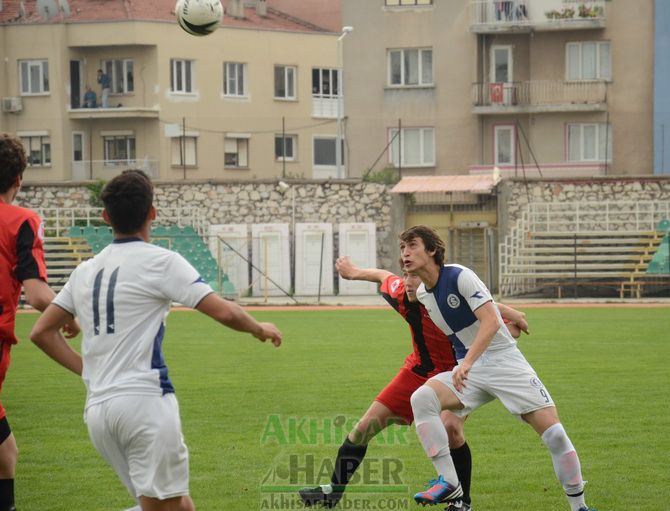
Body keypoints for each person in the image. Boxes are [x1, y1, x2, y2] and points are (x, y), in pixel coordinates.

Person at [30, 170, 283, 511]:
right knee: (163, 508)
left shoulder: (85, 270)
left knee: (179, 506)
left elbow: (41, 333)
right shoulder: (161, 262)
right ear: (152, 213)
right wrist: (258, 328)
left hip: (99, 412)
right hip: (144, 405)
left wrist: (88, 370)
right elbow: (224, 312)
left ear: (106, 217)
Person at [298, 256, 528, 510]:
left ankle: (463, 502)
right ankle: (333, 492)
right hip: (416, 372)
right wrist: (353, 272)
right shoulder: (403, 295)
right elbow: (384, 276)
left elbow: (494, 319)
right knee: (364, 428)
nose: (408, 282)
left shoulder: (452, 302)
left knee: (451, 430)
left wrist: (509, 315)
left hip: (456, 375)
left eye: (415, 276)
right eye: (406, 275)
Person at [399, 225, 595, 511]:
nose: (405, 253)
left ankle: (579, 507)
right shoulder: (425, 295)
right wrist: (510, 315)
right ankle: (450, 483)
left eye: (412, 245)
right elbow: (472, 310)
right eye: (403, 247)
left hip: (503, 362)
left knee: (554, 435)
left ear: (432, 250)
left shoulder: (460, 274)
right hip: (470, 369)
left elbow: (488, 319)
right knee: (422, 398)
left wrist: (469, 359)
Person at [0, 133, 79, 511]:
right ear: (18, 179)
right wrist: (70, 315)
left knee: (5, 453)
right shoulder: (21, 221)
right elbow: (38, 295)